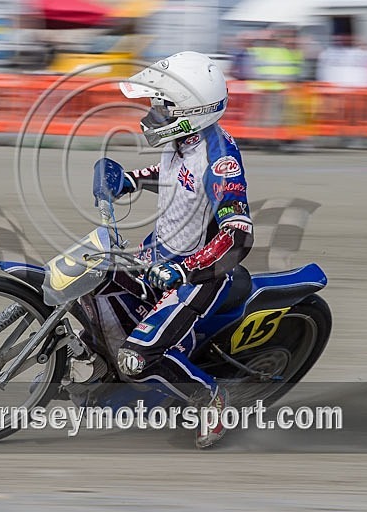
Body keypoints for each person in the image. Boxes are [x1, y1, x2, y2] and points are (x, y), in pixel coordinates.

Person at [93, 51, 254, 448]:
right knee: (92, 281)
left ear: (190, 110)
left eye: (160, 107)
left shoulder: (219, 160)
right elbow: (171, 177)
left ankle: (212, 399)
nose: (151, 115)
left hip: (202, 274)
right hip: (160, 253)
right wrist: (129, 180)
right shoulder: (182, 141)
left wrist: (187, 270)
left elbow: (238, 233)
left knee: (137, 359)